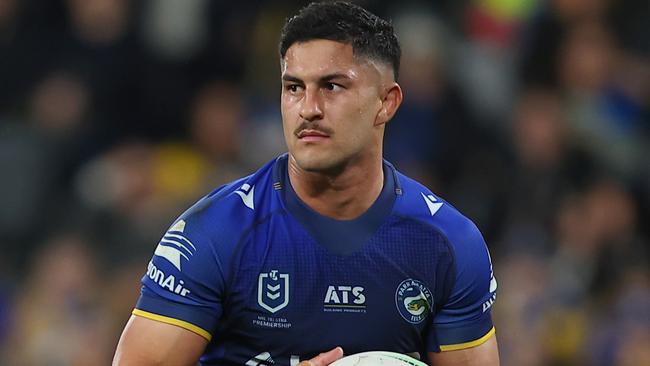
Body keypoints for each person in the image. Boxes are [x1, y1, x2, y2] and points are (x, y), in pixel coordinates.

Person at [113, 2, 500, 365]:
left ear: (387, 103)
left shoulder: (447, 243)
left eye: (332, 86)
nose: (308, 109)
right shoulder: (214, 233)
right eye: (294, 87)